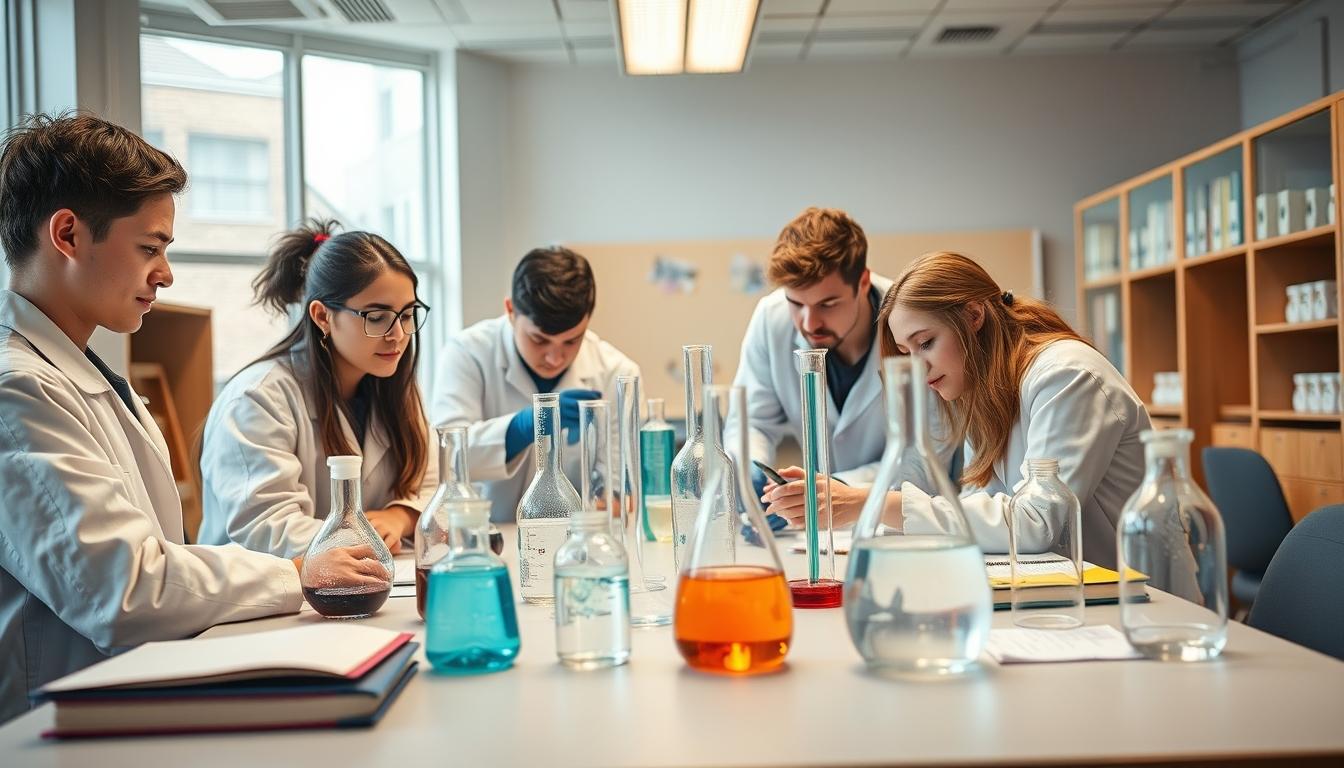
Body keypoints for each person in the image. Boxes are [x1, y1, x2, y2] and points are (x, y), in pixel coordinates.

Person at [0, 113, 381, 723]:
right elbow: (124, 588)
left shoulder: (80, 371)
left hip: (121, 697)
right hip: (51, 722)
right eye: (150, 248)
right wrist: (294, 572)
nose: (166, 273)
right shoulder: (17, 391)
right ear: (68, 235)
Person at [772, 250, 1149, 567]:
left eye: (926, 343)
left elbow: (1037, 523)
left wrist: (874, 503)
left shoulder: (1067, 376)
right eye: (906, 353)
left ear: (973, 315)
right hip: (1058, 592)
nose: (918, 370)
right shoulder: (982, 388)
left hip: (1140, 602)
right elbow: (977, 507)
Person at [198, 220, 437, 556]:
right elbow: (269, 527)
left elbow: (431, 484)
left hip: (362, 587)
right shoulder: (257, 399)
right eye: (377, 316)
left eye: (408, 314)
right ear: (323, 316)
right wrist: (367, 537)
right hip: (269, 599)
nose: (398, 334)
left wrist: (399, 517)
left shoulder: (395, 389)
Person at [727, 207, 955, 525]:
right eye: (796, 304)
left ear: (862, 282)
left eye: (828, 304)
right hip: (823, 535)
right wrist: (751, 468)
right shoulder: (770, 319)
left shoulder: (910, 324)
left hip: (901, 521)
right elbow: (752, 423)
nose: (809, 322)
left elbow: (924, 459)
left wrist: (841, 493)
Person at [432, 246, 639, 521]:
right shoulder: (468, 354)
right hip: (486, 538)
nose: (555, 358)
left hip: (573, 544)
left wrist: (611, 499)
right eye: (539, 340)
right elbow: (446, 460)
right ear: (510, 310)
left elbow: (620, 494)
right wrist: (521, 428)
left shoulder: (617, 372)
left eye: (571, 341)